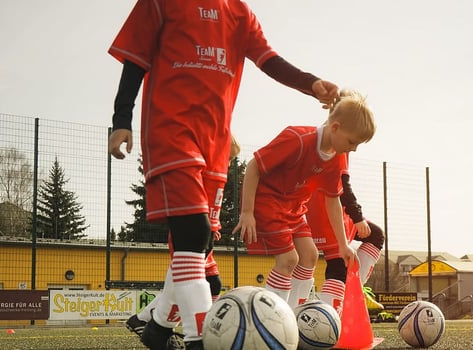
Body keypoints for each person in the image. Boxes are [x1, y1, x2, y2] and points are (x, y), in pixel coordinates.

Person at [107, 1, 339, 348]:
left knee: (198, 247)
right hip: (170, 133)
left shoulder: (239, 13)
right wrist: (121, 120)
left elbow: (268, 60)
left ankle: (155, 330)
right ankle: (200, 340)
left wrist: (311, 83)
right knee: (193, 235)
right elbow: (135, 59)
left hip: (216, 148)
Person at [233, 89, 375, 309]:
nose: (353, 149)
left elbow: (333, 201)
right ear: (335, 128)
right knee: (289, 260)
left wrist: (343, 244)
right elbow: (253, 166)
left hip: (294, 208)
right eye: (351, 142)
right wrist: (247, 212)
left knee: (309, 255)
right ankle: (268, 318)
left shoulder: (335, 159)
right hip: (268, 203)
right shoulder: (297, 139)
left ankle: (293, 315)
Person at [125, 136, 242, 346]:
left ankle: (152, 324)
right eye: (225, 157)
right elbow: (193, 206)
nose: (227, 163)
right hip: (191, 233)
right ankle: (161, 325)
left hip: (205, 234)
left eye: (230, 159)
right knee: (193, 279)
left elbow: (210, 207)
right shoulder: (200, 171)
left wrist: (213, 227)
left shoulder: (217, 175)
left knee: (209, 283)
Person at [304, 162, 385, 314]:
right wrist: (358, 217)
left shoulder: (325, 144)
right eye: (353, 142)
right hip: (330, 215)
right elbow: (344, 188)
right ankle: (328, 316)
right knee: (337, 268)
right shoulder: (337, 150)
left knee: (375, 235)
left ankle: (353, 291)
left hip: (326, 212)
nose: (353, 147)